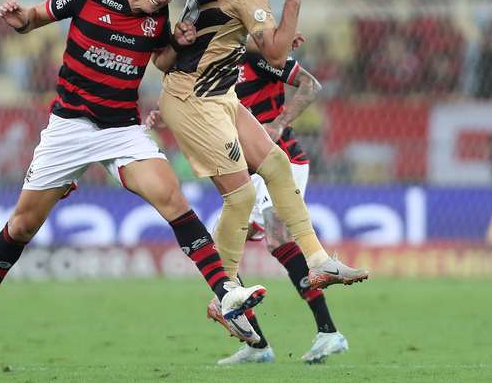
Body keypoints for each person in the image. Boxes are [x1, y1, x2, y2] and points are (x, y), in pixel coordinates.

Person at [0, 0, 267, 348]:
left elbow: (161, 61)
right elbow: (33, 19)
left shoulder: (156, 20)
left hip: (122, 130)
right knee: (21, 226)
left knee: (174, 200)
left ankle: (225, 292)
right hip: (69, 128)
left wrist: (178, 44)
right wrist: (19, 19)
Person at [158, 0, 367, 300]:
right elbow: (275, 55)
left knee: (276, 165)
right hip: (195, 98)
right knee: (241, 197)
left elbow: (209, 39)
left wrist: (271, 36)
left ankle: (318, 260)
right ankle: (226, 291)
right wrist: (293, 3)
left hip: (217, 94)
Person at [146, 37, 349, 364]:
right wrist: (166, 113)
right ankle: (258, 346)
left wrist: (280, 124)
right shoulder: (213, 69)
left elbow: (310, 85)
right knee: (221, 248)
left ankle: (328, 332)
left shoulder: (257, 59)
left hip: (283, 161)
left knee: (276, 235)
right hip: (247, 170)